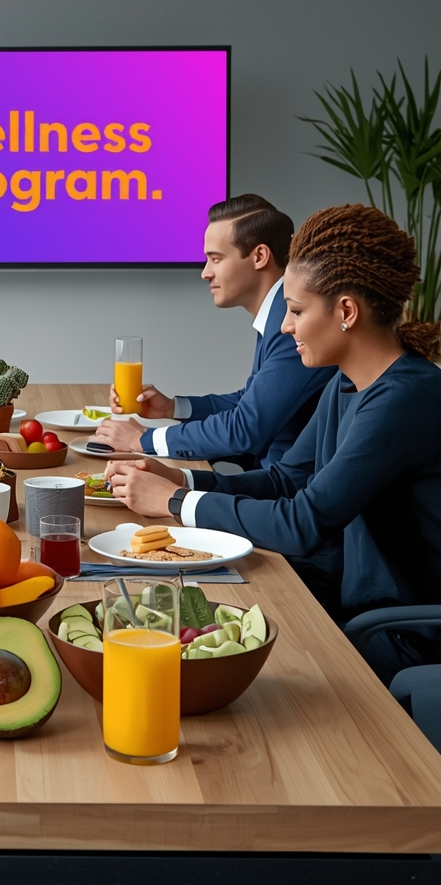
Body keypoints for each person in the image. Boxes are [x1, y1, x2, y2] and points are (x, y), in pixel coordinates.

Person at [108, 205, 441, 630]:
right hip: (345, 594)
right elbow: (286, 480)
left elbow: (304, 522)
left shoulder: (404, 398)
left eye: (297, 311)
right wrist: (183, 481)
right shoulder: (346, 383)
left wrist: (173, 502)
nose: (284, 327)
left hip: (392, 628)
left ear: (346, 312)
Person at [94, 195, 333, 468]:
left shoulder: (291, 323)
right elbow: (249, 401)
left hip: (281, 493)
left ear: (259, 256)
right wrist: (173, 408)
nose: (205, 273)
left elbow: (245, 429)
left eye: (215, 259)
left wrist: (145, 440)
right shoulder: (278, 311)